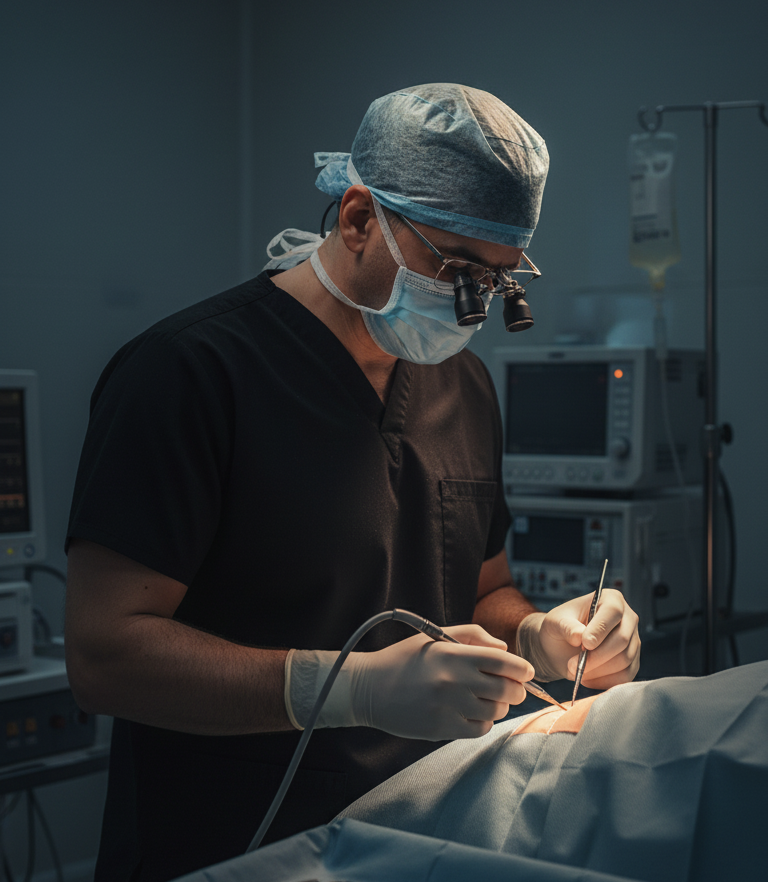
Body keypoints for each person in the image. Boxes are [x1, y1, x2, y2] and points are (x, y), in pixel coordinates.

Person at [64, 83, 641, 882]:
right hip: (231, 843)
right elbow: (104, 656)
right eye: (455, 268)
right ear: (360, 217)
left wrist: (540, 635)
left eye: (499, 281)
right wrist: (346, 690)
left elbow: (481, 591)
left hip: (425, 829)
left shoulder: (464, 387)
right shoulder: (187, 374)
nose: (473, 305)